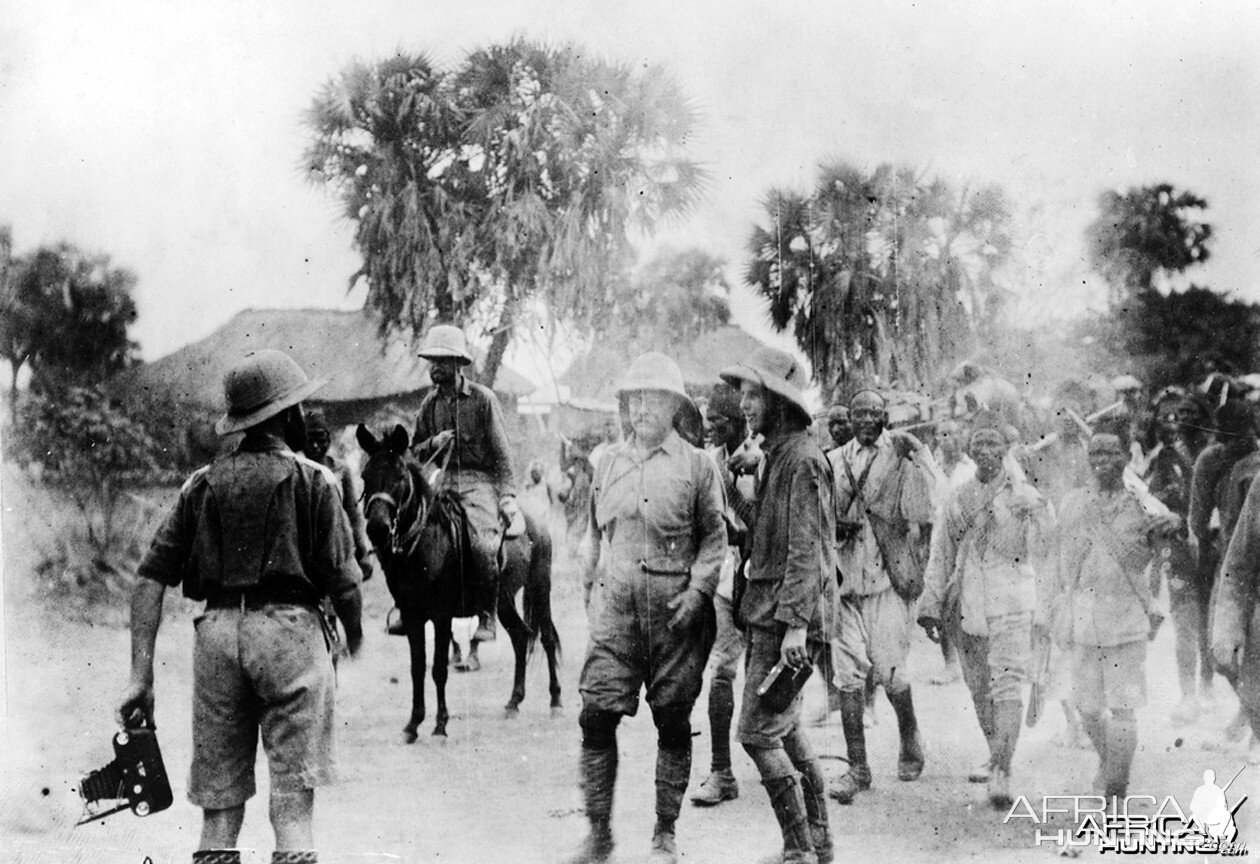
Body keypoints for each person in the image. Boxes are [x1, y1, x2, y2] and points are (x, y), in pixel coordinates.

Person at [118, 349, 364, 864]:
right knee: (292, 808)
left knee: (220, 809)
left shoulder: (199, 485)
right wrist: (354, 633)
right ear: (287, 415)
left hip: (217, 636)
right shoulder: (314, 480)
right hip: (291, 636)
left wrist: (141, 677)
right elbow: (344, 582)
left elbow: (149, 578)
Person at [566, 352, 726, 864]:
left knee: (672, 721)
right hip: (616, 609)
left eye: (654, 399)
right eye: (634, 399)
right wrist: (589, 585)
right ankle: (598, 833)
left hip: (675, 612)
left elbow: (714, 540)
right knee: (595, 714)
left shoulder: (697, 466)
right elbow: (594, 533)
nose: (642, 408)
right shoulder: (607, 462)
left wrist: (698, 593)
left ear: (674, 407)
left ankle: (664, 833)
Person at [720, 348, 838, 864]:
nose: (744, 404)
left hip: (785, 620)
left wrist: (794, 628)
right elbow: (766, 532)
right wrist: (741, 481)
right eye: (743, 394)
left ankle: (798, 849)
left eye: (753, 394)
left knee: (755, 733)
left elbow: (805, 550)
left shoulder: (802, 460)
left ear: (779, 401)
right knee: (785, 730)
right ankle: (820, 844)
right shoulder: (783, 455)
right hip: (772, 612)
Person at [918, 412, 1054, 807]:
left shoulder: (1023, 494)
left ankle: (1002, 769)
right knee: (979, 688)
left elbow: (1046, 549)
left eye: (993, 443)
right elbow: (941, 553)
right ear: (969, 450)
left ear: (1006, 449)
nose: (984, 450)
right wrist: (930, 604)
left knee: (1007, 682)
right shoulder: (959, 497)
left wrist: (1039, 515)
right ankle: (996, 750)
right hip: (968, 600)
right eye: (978, 443)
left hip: (1012, 598)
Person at [827, 389, 939, 805]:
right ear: (850, 418)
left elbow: (930, 504)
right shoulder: (833, 460)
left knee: (891, 672)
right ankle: (858, 767)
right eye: (860, 412)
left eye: (875, 412)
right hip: (844, 582)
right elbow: (821, 510)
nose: (867, 419)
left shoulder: (899, 455)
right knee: (848, 676)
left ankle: (909, 732)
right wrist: (836, 525)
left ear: (885, 417)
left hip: (885, 579)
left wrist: (921, 453)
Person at [1056, 431, 1178, 800]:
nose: (1101, 460)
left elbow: (1169, 540)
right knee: (1087, 709)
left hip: (1126, 620)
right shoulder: (1074, 503)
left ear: (1125, 457)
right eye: (1095, 453)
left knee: (1122, 708)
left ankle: (1116, 789)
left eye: (1110, 453)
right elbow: (1056, 554)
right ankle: (1110, 762)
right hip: (1083, 620)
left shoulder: (1142, 504)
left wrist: (1173, 522)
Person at [410, 324, 519, 643]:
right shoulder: (429, 405)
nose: (435, 367)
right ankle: (410, 607)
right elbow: (415, 451)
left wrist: (507, 495)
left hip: (478, 483)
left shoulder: (483, 400)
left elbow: (502, 454)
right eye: (432, 360)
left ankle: (487, 613)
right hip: (441, 483)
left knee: (483, 543)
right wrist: (435, 441)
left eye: (442, 361)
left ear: (458, 364)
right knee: (410, 533)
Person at [690, 386, 756, 807]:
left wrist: (740, 530)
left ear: (740, 422)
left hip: (766, 580)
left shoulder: (762, 457)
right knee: (721, 673)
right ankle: (721, 771)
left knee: (771, 681)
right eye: (708, 419)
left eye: (719, 420)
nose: (711, 427)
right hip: (727, 583)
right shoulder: (708, 464)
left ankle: (788, 770)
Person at [1189, 400, 1259, 746]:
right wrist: (1204, 545)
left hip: (1250, 566)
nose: (1241, 443)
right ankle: (1249, 708)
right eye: (1231, 436)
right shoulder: (1210, 461)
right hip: (1224, 565)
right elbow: (1197, 515)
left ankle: (1251, 716)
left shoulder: (1255, 466)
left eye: (1247, 435)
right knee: (1222, 652)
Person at [1141, 391, 1211, 725]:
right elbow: (1155, 500)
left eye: (1189, 412)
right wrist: (1169, 517)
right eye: (1177, 414)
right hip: (1181, 551)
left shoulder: (1218, 455)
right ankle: (1189, 694)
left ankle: (1210, 684)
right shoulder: (1167, 457)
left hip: (1216, 550)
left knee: (1212, 622)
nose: (1181, 419)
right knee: (1185, 621)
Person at [303, 409, 373, 582]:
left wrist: (362, 550)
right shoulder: (298, 471)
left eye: (320, 439)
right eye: (309, 440)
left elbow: (353, 512)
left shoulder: (341, 469)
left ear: (329, 438)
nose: (315, 446)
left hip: (340, 546)